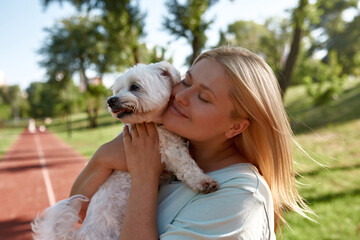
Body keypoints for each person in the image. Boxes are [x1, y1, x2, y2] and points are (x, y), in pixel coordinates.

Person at [70, 46, 313, 239]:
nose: (182, 96)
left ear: (235, 126)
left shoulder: (240, 200)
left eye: (204, 97)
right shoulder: (154, 146)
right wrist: (103, 156)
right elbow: (79, 211)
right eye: (186, 81)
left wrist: (144, 177)